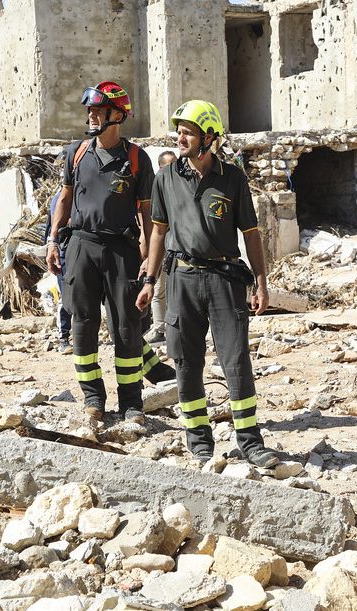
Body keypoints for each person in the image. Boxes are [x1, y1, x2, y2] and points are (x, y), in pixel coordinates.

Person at [136, 100, 278, 468]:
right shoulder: (165, 178)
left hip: (224, 279)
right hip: (181, 278)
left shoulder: (232, 178)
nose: (180, 138)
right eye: (179, 132)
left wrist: (261, 282)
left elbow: (251, 234)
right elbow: (158, 233)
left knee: (235, 360)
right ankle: (199, 439)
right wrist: (150, 280)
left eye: (188, 132)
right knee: (186, 361)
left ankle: (249, 441)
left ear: (208, 138)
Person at [46, 81, 153, 423]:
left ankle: (131, 403)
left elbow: (147, 214)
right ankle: (93, 398)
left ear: (117, 115)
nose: (91, 116)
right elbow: (64, 199)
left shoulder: (136, 158)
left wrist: (150, 254)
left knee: (126, 326)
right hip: (81, 246)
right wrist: (52, 240)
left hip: (122, 250)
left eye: (97, 110)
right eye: (89, 110)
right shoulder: (76, 153)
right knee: (83, 324)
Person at [146, 150, 177, 345]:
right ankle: (159, 328)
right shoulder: (156, 187)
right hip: (162, 245)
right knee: (158, 287)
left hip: (179, 244)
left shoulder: (182, 184)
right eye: (168, 166)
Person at [44, 182, 73, 354]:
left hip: (76, 251)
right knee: (66, 296)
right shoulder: (60, 198)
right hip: (63, 252)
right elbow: (60, 221)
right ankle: (64, 338)